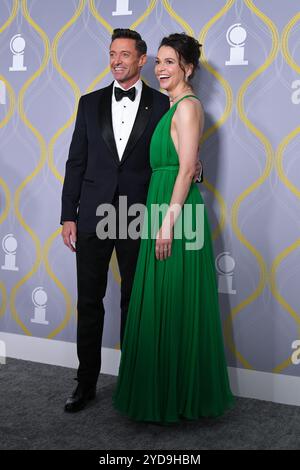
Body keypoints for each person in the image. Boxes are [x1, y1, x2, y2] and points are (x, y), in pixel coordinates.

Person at [60, 29, 202, 413]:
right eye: (112, 54)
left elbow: (179, 158)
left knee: (135, 302)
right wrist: (67, 215)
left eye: (125, 54)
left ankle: (132, 382)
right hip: (91, 214)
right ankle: (84, 383)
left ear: (142, 59)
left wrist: (195, 171)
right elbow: (76, 161)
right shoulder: (88, 103)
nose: (117, 60)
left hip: (139, 214)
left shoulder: (165, 102)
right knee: (89, 302)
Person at [113, 33, 234, 423]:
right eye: (159, 62)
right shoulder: (175, 107)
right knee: (165, 299)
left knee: (174, 299)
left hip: (175, 217)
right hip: (165, 206)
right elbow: (191, 166)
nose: (161, 69)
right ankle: (168, 390)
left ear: (188, 68)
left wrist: (166, 226)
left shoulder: (186, 107)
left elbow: (183, 170)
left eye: (170, 62)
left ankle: (177, 396)